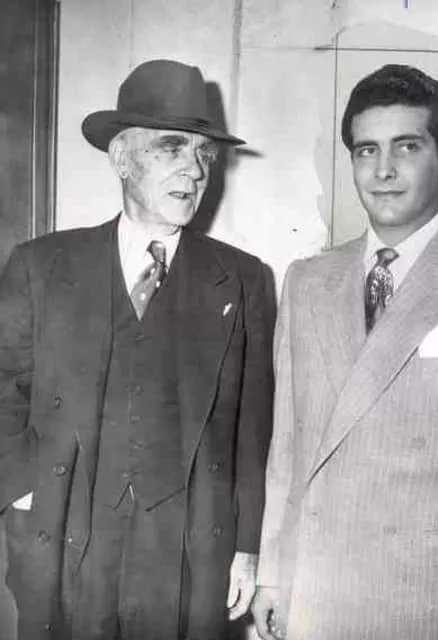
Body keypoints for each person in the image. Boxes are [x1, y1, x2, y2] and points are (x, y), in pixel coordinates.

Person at [0, 59, 274, 639]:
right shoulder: (41, 266)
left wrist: (248, 548)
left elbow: (253, 429)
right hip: (66, 530)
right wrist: (23, 492)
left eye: (204, 155)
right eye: (172, 147)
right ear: (121, 157)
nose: (193, 170)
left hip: (188, 546)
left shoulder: (243, 278)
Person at [252, 64, 438, 640]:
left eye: (406, 147)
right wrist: (274, 577)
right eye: (367, 151)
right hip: (318, 595)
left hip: (430, 600)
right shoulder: (308, 280)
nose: (383, 171)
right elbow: (287, 448)